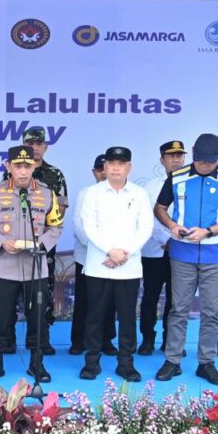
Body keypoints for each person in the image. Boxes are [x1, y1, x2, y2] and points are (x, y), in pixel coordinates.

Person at [154, 134, 218, 385]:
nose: (204, 165)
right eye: (200, 159)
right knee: (178, 309)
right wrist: (172, 225)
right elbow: (160, 208)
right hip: (182, 253)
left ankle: (207, 363)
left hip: (216, 254)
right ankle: (172, 360)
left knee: (211, 311)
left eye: (210, 161)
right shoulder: (177, 176)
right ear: (193, 152)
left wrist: (209, 231)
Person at [0, 145, 63, 383]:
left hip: (35, 267)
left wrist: (42, 244)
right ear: (9, 166)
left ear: (34, 166)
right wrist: (0, 242)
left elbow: (56, 226)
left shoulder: (46, 193)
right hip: (5, 268)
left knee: (38, 318)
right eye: (18, 166)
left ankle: (37, 364)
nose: (23, 171)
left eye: (27, 166)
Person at [78, 146, 153, 381]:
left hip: (128, 266)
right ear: (105, 166)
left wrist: (124, 253)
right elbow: (89, 227)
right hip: (99, 264)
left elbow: (145, 228)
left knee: (128, 317)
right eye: (111, 163)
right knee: (95, 315)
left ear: (129, 167)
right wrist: (111, 251)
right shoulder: (92, 193)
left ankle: (126, 363)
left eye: (121, 164)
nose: (116, 168)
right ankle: (92, 362)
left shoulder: (140, 194)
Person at [7, 126, 68, 355]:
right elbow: (4, 208)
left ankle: (41, 338)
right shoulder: (10, 173)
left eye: (38, 144)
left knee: (44, 291)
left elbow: (59, 209)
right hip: (15, 243)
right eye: (29, 144)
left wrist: (42, 238)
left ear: (45, 147)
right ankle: (9, 337)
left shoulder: (55, 174)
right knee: (12, 290)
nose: (34, 147)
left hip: (43, 243)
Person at [140, 140, 185, 356]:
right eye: (171, 156)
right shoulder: (151, 186)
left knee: (176, 300)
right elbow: (148, 217)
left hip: (182, 251)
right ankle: (147, 339)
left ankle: (171, 341)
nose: (176, 160)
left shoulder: (190, 183)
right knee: (150, 297)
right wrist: (165, 239)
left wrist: (175, 241)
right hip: (154, 251)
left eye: (179, 156)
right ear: (162, 160)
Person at [70, 154, 115, 355]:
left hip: (113, 259)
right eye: (99, 170)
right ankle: (78, 340)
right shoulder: (85, 193)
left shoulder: (122, 194)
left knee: (109, 301)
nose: (103, 173)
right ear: (94, 172)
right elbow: (80, 226)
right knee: (84, 300)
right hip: (87, 255)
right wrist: (100, 248)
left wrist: (112, 251)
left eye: (106, 168)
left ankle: (106, 339)